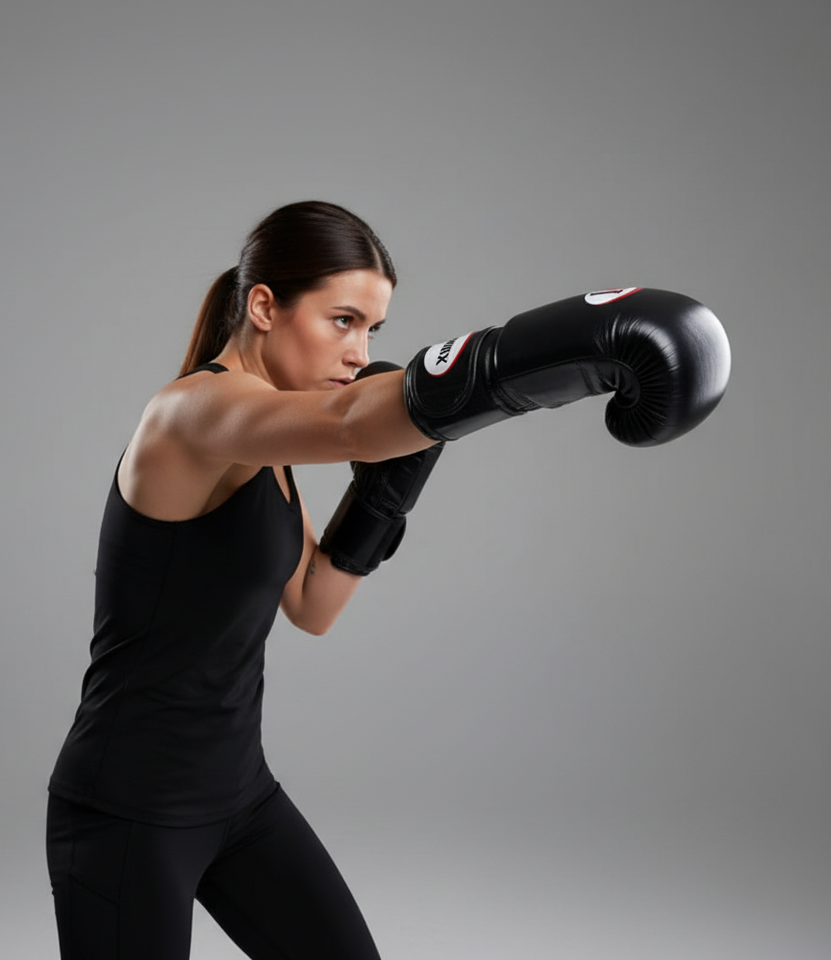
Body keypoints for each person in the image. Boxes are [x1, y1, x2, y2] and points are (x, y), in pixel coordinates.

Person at [47, 200, 731, 960]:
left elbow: (312, 604)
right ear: (265, 307)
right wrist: (503, 371)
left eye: (373, 330)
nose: (358, 351)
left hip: (238, 796)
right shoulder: (192, 414)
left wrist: (383, 498)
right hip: (129, 809)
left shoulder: (268, 437)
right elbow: (350, 423)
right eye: (342, 321)